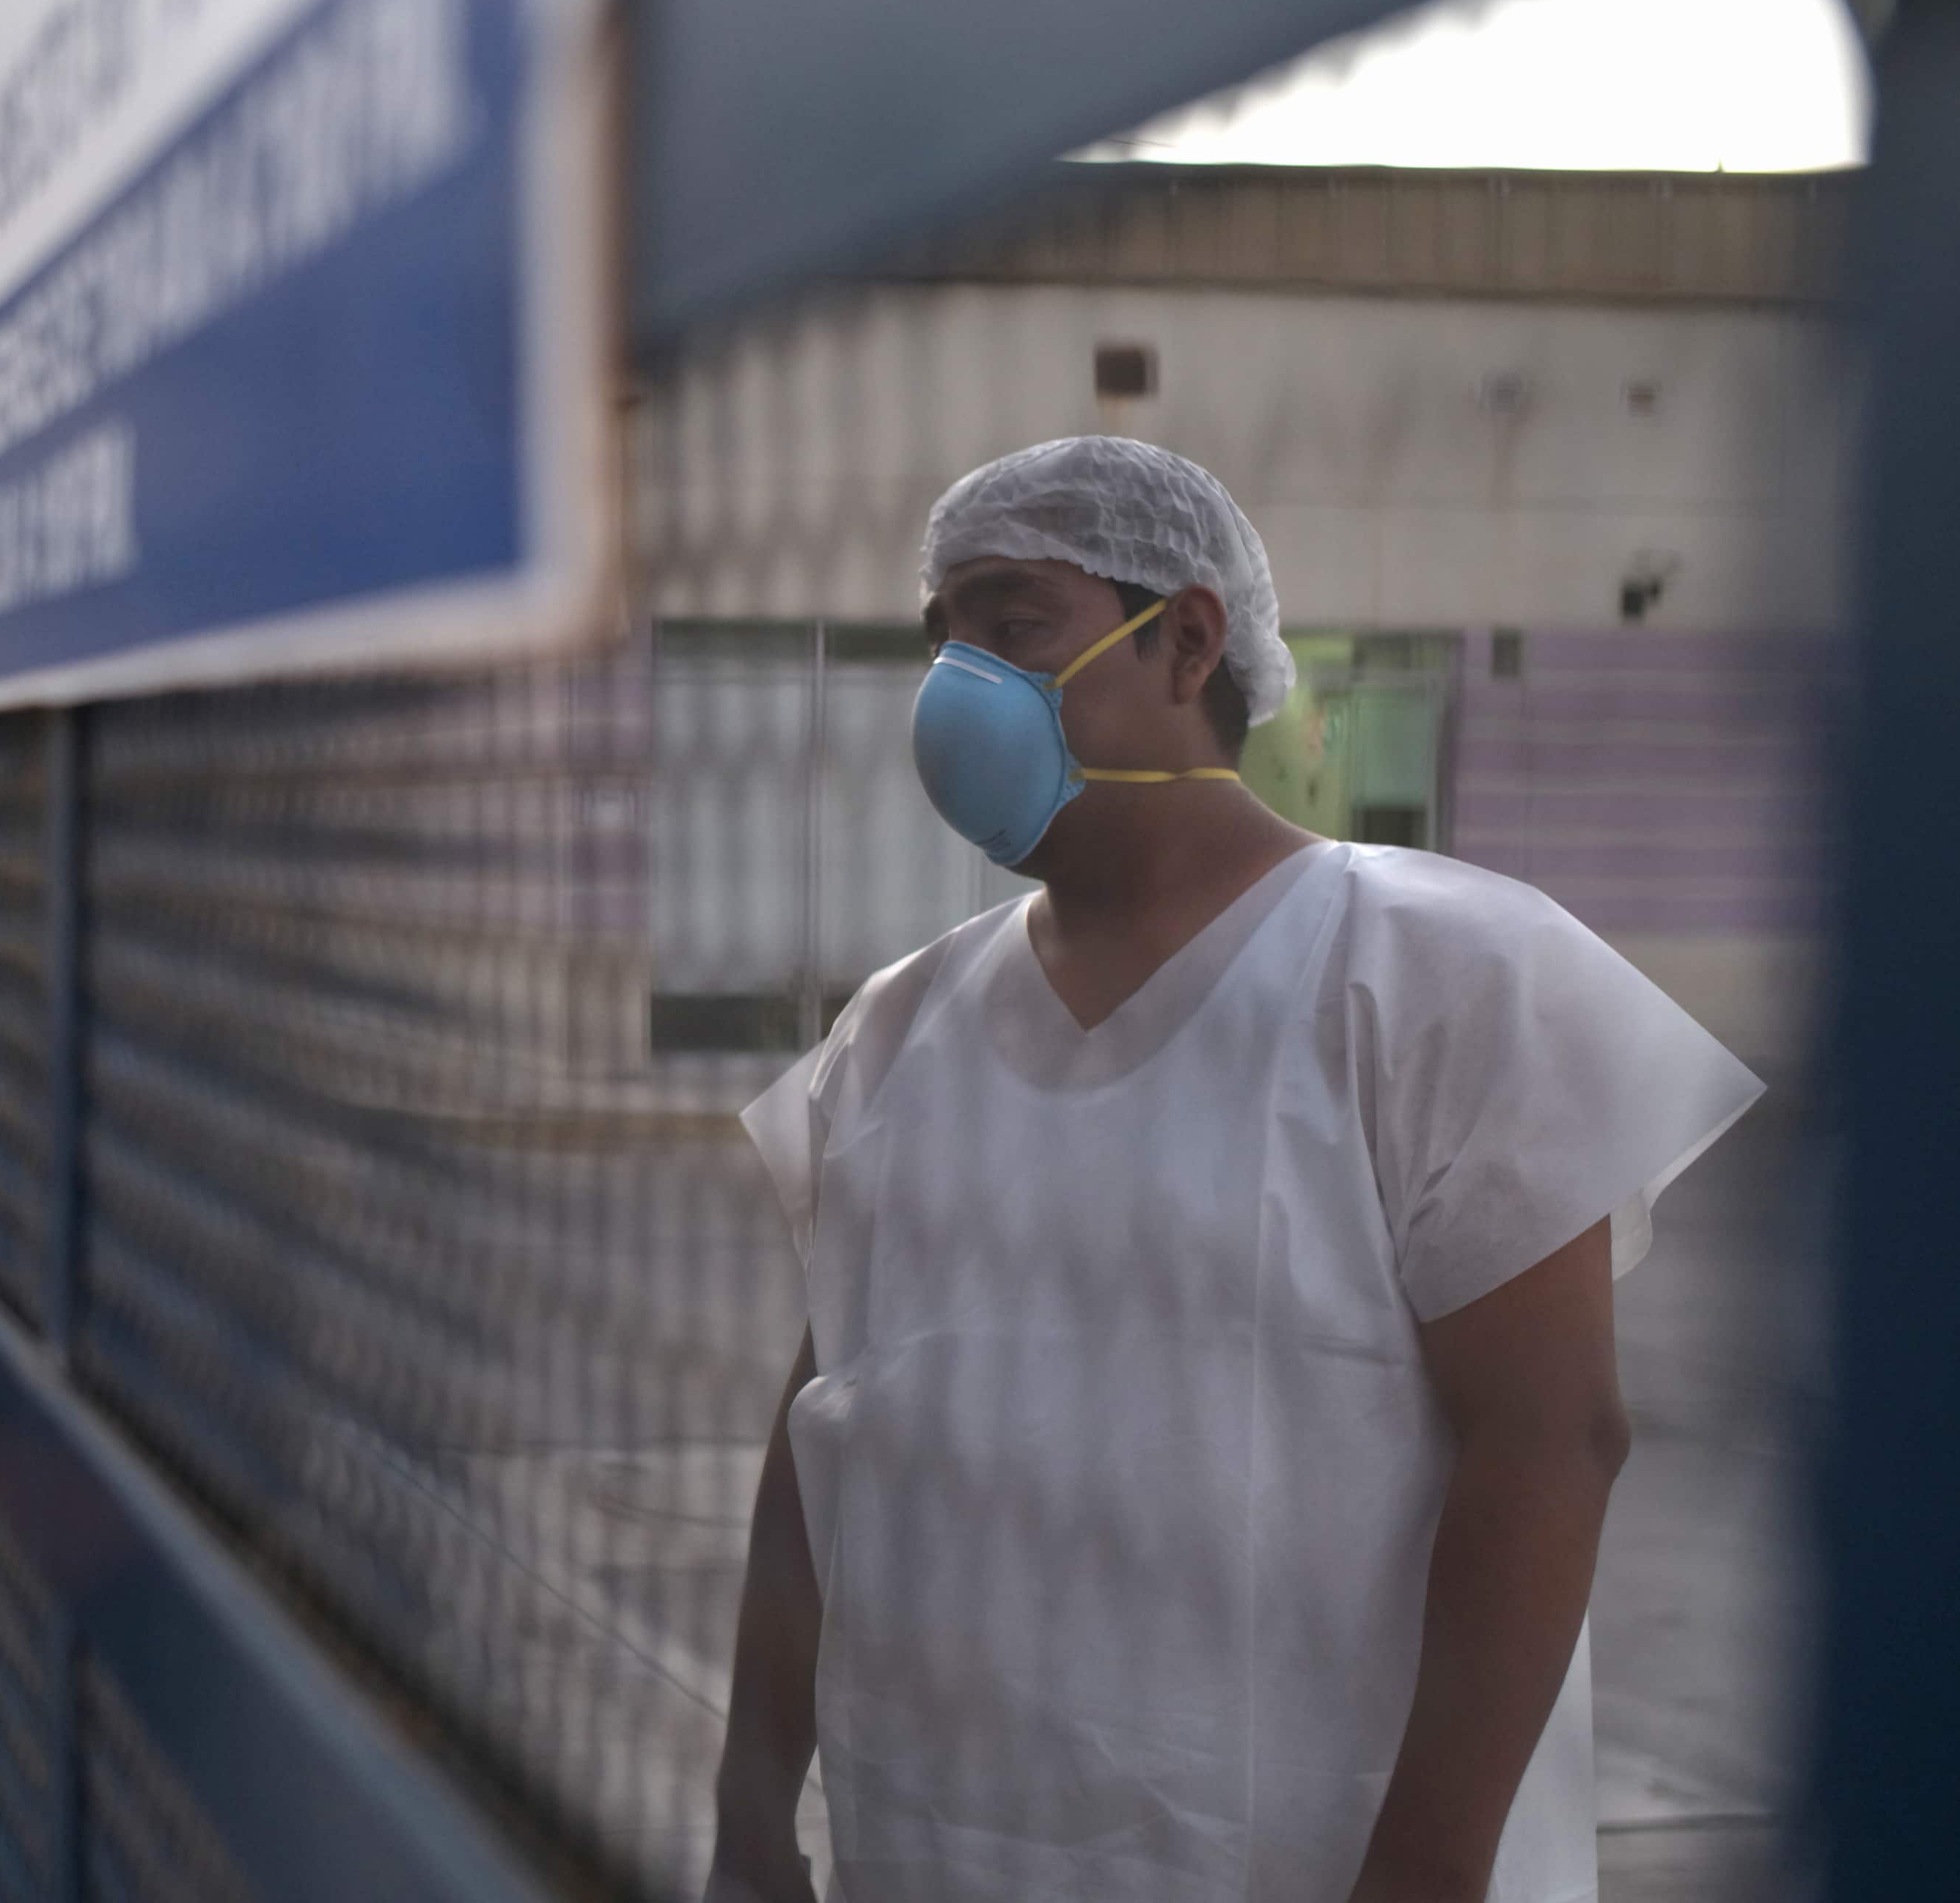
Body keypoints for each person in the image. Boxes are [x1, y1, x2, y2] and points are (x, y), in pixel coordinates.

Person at [702, 439, 1761, 1903]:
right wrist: (751, 1809)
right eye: (941, 639)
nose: (958, 688)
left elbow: (1549, 1442)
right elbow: (822, 1434)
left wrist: (1427, 1874)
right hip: (945, 1842)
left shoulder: (1435, 976)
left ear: (1187, 639)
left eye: (1014, 627)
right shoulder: (896, 1032)